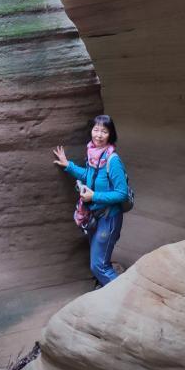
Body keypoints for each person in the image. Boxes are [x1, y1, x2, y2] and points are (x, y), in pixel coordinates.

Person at [53, 114, 129, 287]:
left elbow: (122, 193)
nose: (99, 135)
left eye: (104, 131)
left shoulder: (112, 160)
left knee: (98, 266)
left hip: (109, 218)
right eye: (96, 130)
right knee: (100, 261)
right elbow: (89, 176)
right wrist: (68, 165)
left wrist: (94, 196)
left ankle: (122, 296)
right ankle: (108, 289)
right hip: (94, 215)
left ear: (111, 135)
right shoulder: (93, 154)